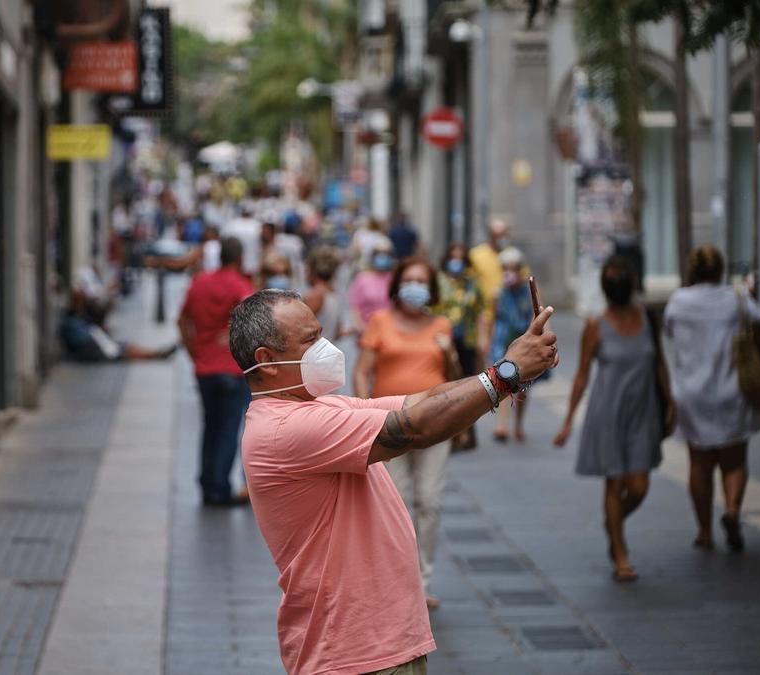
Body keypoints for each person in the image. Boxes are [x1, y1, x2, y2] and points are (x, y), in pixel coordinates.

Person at [232, 289, 558, 675]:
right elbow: (416, 428)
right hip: (354, 654)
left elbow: (423, 400)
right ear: (267, 361)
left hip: (375, 645)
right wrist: (506, 376)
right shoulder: (285, 427)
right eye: (310, 339)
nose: (326, 347)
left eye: (321, 333)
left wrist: (512, 365)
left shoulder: (318, 407)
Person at [553, 256, 673, 582]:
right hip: (608, 413)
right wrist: (567, 421)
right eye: (612, 279)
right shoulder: (595, 326)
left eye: (621, 277)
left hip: (643, 412)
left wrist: (670, 402)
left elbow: (659, 363)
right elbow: (580, 376)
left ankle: (613, 523)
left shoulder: (648, 319)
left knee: (639, 486)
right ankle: (620, 554)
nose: (618, 283)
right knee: (614, 482)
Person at [352, 257, 453, 608]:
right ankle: (394, 580)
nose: (414, 286)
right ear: (397, 285)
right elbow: (362, 371)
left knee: (429, 501)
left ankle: (422, 582)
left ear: (431, 288)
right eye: (408, 279)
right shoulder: (380, 321)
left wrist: (449, 353)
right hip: (389, 424)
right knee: (391, 502)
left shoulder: (441, 325)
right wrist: (365, 412)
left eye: (421, 280)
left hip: (436, 422)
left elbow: (454, 375)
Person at [664, 246, 760, 552]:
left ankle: (705, 531)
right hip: (731, 389)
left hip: (692, 394)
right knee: (734, 459)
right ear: (720, 269)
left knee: (700, 462)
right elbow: (759, 320)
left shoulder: (679, 301)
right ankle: (731, 510)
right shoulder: (735, 298)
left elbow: (668, 330)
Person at [178, 238, 256, 506]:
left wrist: (193, 351)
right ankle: (220, 487)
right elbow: (254, 319)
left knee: (210, 426)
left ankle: (206, 482)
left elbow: (182, 319)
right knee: (228, 429)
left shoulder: (199, 282)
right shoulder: (239, 284)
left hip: (204, 368)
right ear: (239, 258)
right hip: (232, 369)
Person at [489, 247, 539, 442]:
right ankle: (502, 426)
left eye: (513, 268)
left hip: (524, 341)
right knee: (502, 383)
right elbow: (493, 318)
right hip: (503, 343)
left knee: (524, 384)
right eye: (506, 269)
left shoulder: (529, 290)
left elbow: (538, 314)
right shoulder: (498, 293)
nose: (510, 272)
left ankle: (518, 424)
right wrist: (489, 341)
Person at [60, 288, 177, 362]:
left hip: (101, 344)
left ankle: (156, 353)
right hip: (99, 349)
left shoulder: (80, 317)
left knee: (128, 347)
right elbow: (84, 340)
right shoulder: (72, 322)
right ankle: (156, 355)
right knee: (127, 351)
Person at [436, 243, 489, 377]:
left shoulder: (472, 284)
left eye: (460, 259)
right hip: (443, 335)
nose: (456, 262)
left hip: (467, 337)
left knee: (467, 374)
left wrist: (483, 337)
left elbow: (480, 311)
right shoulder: (438, 281)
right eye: (453, 257)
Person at [346, 240, 396, 335]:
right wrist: (360, 327)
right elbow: (355, 307)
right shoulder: (362, 279)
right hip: (366, 331)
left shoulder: (395, 280)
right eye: (379, 254)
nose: (382, 257)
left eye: (386, 254)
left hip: (390, 333)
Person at [469, 218, 511, 321]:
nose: (501, 239)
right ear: (490, 235)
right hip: (484, 316)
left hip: (508, 316)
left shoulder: (512, 255)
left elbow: (524, 280)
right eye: (497, 236)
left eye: (504, 235)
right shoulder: (476, 255)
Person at [302, 247, 344, 340]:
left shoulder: (315, 296)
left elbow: (298, 329)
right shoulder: (334, 295)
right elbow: (337, 332)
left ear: (313, 270)